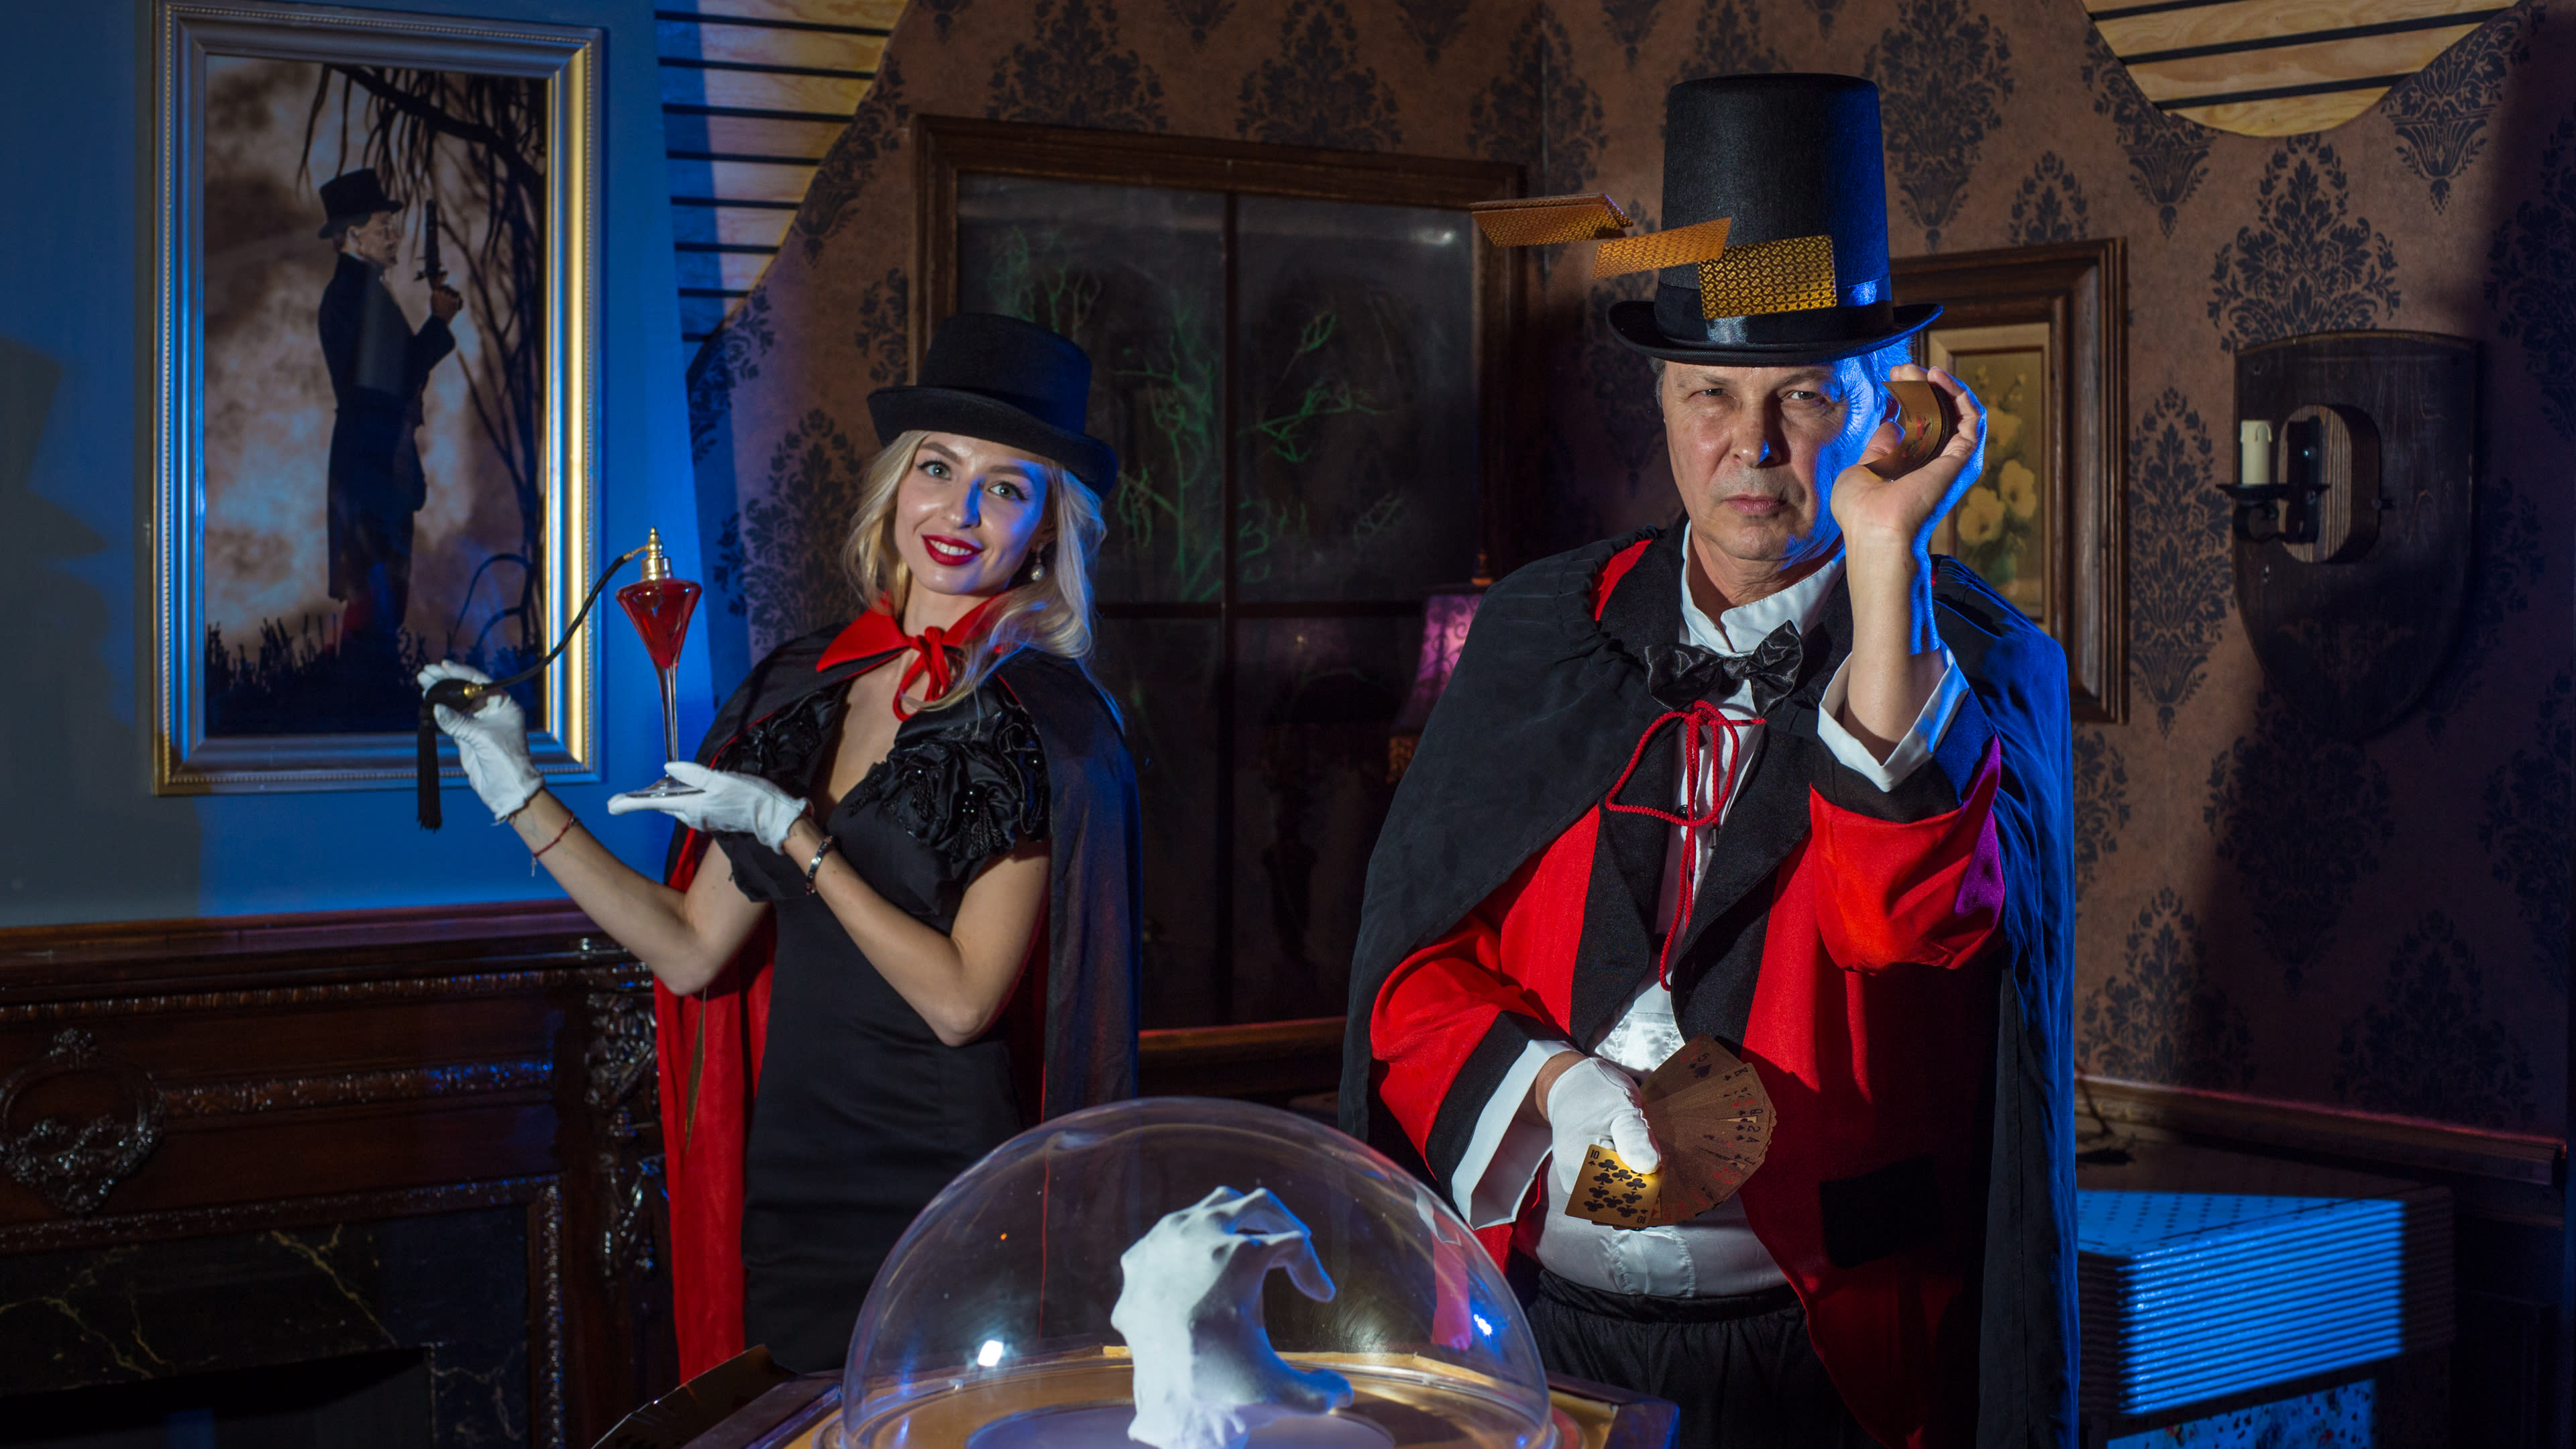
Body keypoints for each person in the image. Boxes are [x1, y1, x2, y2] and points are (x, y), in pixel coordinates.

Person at [1342, 76, 2076, 1449]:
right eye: (1711, 396)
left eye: (1804, 396)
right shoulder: (1541, 633)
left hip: (1829, 1364)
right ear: (1664, 403)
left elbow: (1904, 923)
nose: (1750, 446)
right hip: (1541, 1340)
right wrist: (1560, 1091)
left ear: (1883, 410)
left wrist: (1883, 560)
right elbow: (1412, 965)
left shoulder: (1969, 656)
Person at [419, 313, 1143, 1377]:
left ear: (1042, 529)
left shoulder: (1036, 720)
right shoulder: (804, 684)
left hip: (948, 1182)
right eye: (939, 468)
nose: (960, 510)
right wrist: (519, 791)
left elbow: (960, 1003)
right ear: (898, 484)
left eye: (1006, 486)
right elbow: (691, 949)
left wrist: (796, 837)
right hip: (797, 1179)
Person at [316, 168, 462, 659]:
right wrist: (438, 324)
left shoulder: (358, 292)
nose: (393, 235)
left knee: (377, 589)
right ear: (354, 235)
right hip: (376, 465)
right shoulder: (359, 295)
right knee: (380, 589)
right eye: (382, 225)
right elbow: (393, 383)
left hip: (372, 461)